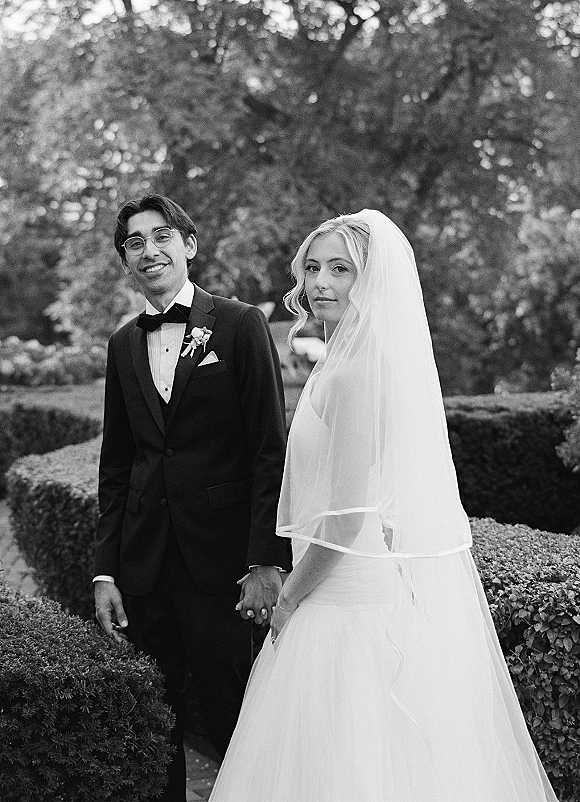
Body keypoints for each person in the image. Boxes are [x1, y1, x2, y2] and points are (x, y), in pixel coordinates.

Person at [208, 210, 558, 801]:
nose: (320, 282)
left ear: (370, 281)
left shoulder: (355, 376)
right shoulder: (343, 364)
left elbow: (345, 518)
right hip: (353, 588)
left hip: (342, 601)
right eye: (313, 267)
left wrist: (290, 598)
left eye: (340, 269)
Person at [93, 194, 292, 802]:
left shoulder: (238, 324)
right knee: (156, 729)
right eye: (134, 242)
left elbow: (269, 449)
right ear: (126, 260)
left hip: (225, 569)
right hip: (145, 569)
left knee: (237, 721)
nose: (149, 250)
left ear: (189, 244)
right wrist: (105, 570)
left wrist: (266, 561)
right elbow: (118, 466)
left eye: (161, 236)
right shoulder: (123, 345)